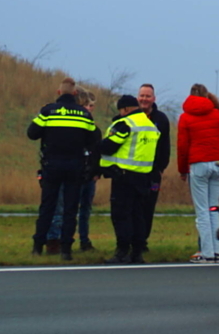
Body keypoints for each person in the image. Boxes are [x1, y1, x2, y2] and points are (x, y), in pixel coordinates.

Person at [27, 77, 98, 261]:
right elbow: (94, 140)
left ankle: (37, 247)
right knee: (70, 209)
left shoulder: (48, 111)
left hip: (52, 165)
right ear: (75, 94)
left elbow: (32, 133)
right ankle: (66, 249)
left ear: (59, 92)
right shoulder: (83, 114)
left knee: (47, 207)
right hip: (75, 167)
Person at [100, 94, 160, 264]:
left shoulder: (125, 124)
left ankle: (122, 252)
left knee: (121, 215)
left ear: (125, 109)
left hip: (124, 177)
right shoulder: (149, 125)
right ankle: (137, 252)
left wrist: (99, 145)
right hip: (144, 177)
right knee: (138, 215)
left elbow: (108, 147)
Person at [45, 87, 102, 252]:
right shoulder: (71, 126)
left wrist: (97, 171)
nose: (89, 109)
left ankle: (84, 240)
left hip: (89, 173)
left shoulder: (93, 128)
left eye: (92, 106)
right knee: (62, 207)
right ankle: (56, 240)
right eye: (87, 105)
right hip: (72, 172)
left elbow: (97, 150)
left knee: (85, 209)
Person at [177, 84, 219, 263]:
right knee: (214, 208)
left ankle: (206, 253)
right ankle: (217, 250)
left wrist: (182, 170)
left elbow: (182, 147)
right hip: (218, 163)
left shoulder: (185, 118)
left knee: (202, 211)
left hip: (198, 164)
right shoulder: (217, 115)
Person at [137, 83, 170, 251]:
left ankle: (143, 242)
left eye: (147, 96)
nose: (144, 99)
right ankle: (131, 241)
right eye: (142, 96)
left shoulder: (161, 119)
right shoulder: (131, 117)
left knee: (148, 208)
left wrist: (160, 168)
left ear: (153, 99)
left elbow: (165, 147)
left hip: (152, 174)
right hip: (133, 172)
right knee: (133, 208)